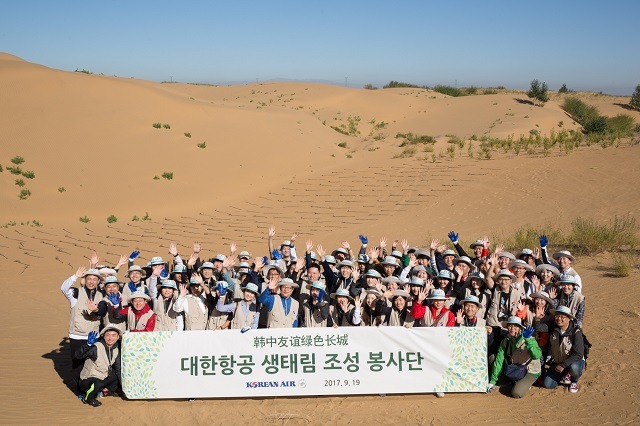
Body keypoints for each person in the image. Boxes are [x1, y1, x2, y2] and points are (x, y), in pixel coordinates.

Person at [61, 266, 104, 393]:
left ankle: (90, 388)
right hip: (77, 336)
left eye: (94, 279)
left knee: (92, 363)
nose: (91, 281)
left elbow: (102, 310)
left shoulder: (101, 295)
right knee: (78, 364)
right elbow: (63, 288)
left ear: (98, 281)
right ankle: (79, 390)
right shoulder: (76, 293)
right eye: (89, 278)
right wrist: (75, 276)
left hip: (94, 336)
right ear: (84, 280)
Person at [488, 316, 542, 398]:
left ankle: (524, 383)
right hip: (515, 367)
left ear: (520, 328)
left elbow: (537, 355)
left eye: (515, 326)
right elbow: (499, 359)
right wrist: (492, 381)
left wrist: (528, 340)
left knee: (516, 393)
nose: (512, 328)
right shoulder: (506, 340)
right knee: (493, 358)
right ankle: (511, 381)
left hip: (530, 370)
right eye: (510, 326)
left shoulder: (528, 337)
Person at [75, 325, 122, 407]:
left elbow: (118, 368)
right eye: (108, 335)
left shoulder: (116, 349)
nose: (110, 338)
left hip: (102, 376)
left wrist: (123, 386)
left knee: (116, 374)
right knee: (97, 384)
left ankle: (104, 392)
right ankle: (87, 398)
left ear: (118, 337)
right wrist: (88, 344)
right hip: (88, 379)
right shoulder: (96, 347)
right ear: (103, 336)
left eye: (113, 335)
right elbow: (78, 356)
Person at [543, 306, 585, 393]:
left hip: (573, 361)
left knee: (574, 368)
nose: (559, 319)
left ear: (569, 318)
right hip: (558, 361)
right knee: (548, 384)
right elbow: (540, 328)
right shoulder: (553, 329)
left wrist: (563, 365)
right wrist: (536, 319)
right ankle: (565, 373)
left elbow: (578, 354)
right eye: (557, 316)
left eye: (562, 316)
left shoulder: (576, 332)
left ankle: (574, 380)